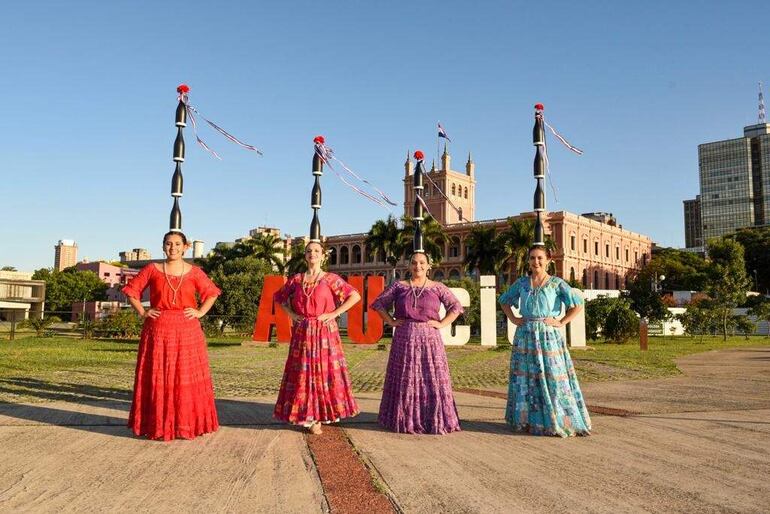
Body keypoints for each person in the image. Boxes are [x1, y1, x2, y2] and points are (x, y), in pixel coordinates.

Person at [122, 231, 221, 441]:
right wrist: (143, 311)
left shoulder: (195, 272)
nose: (173, 248)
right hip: (158, 329)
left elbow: (211, 293)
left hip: (188, 331)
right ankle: (158, 425)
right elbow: (132, 291)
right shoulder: (152, 269)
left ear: (186, 247)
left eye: (177, 244)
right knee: (159, 377)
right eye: (168, 244)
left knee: (186, 379)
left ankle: (187, 425)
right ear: (163, 246)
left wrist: (201, 312)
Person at [498, 245, 591, 437]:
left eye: (540, 258)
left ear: (548, 260)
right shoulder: (522, 283)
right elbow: (504, 300)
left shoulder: (557, 284)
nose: (536, 262)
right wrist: (514, 319)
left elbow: (578, 303)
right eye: (532, 258)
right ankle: (527, 421)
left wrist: (562, 321)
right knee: (526, 379)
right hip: (525, 336)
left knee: (554, 378)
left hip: (549, 336)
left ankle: (559, 420)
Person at [370, 252, 464, 434]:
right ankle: (404, 418)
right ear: (409, 266)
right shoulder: (399, 286)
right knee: (405, 379)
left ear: (429, 266)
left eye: (422, 263)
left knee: (432, 380)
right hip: (404, 338)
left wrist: (442, 323)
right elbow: (379, 303)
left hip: (430, 340)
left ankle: (433, 419)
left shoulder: (437, 287)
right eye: (414, 262)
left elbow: (456, 307)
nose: (418, 266)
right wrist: (390, 321)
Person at [273, 241, 361, 434]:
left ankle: (322, 414)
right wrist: (292, 314)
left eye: (316, 251)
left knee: (325, 373)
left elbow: (354, 296)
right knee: (303, 373)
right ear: (305, 255)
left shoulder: (331, 279)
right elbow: (278, 297)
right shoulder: (296, 280)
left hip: (325, 333)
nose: (312, 254)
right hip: (303, 332)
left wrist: (334, 313)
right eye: (309, 251)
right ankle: (307, 415)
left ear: (323, 256)